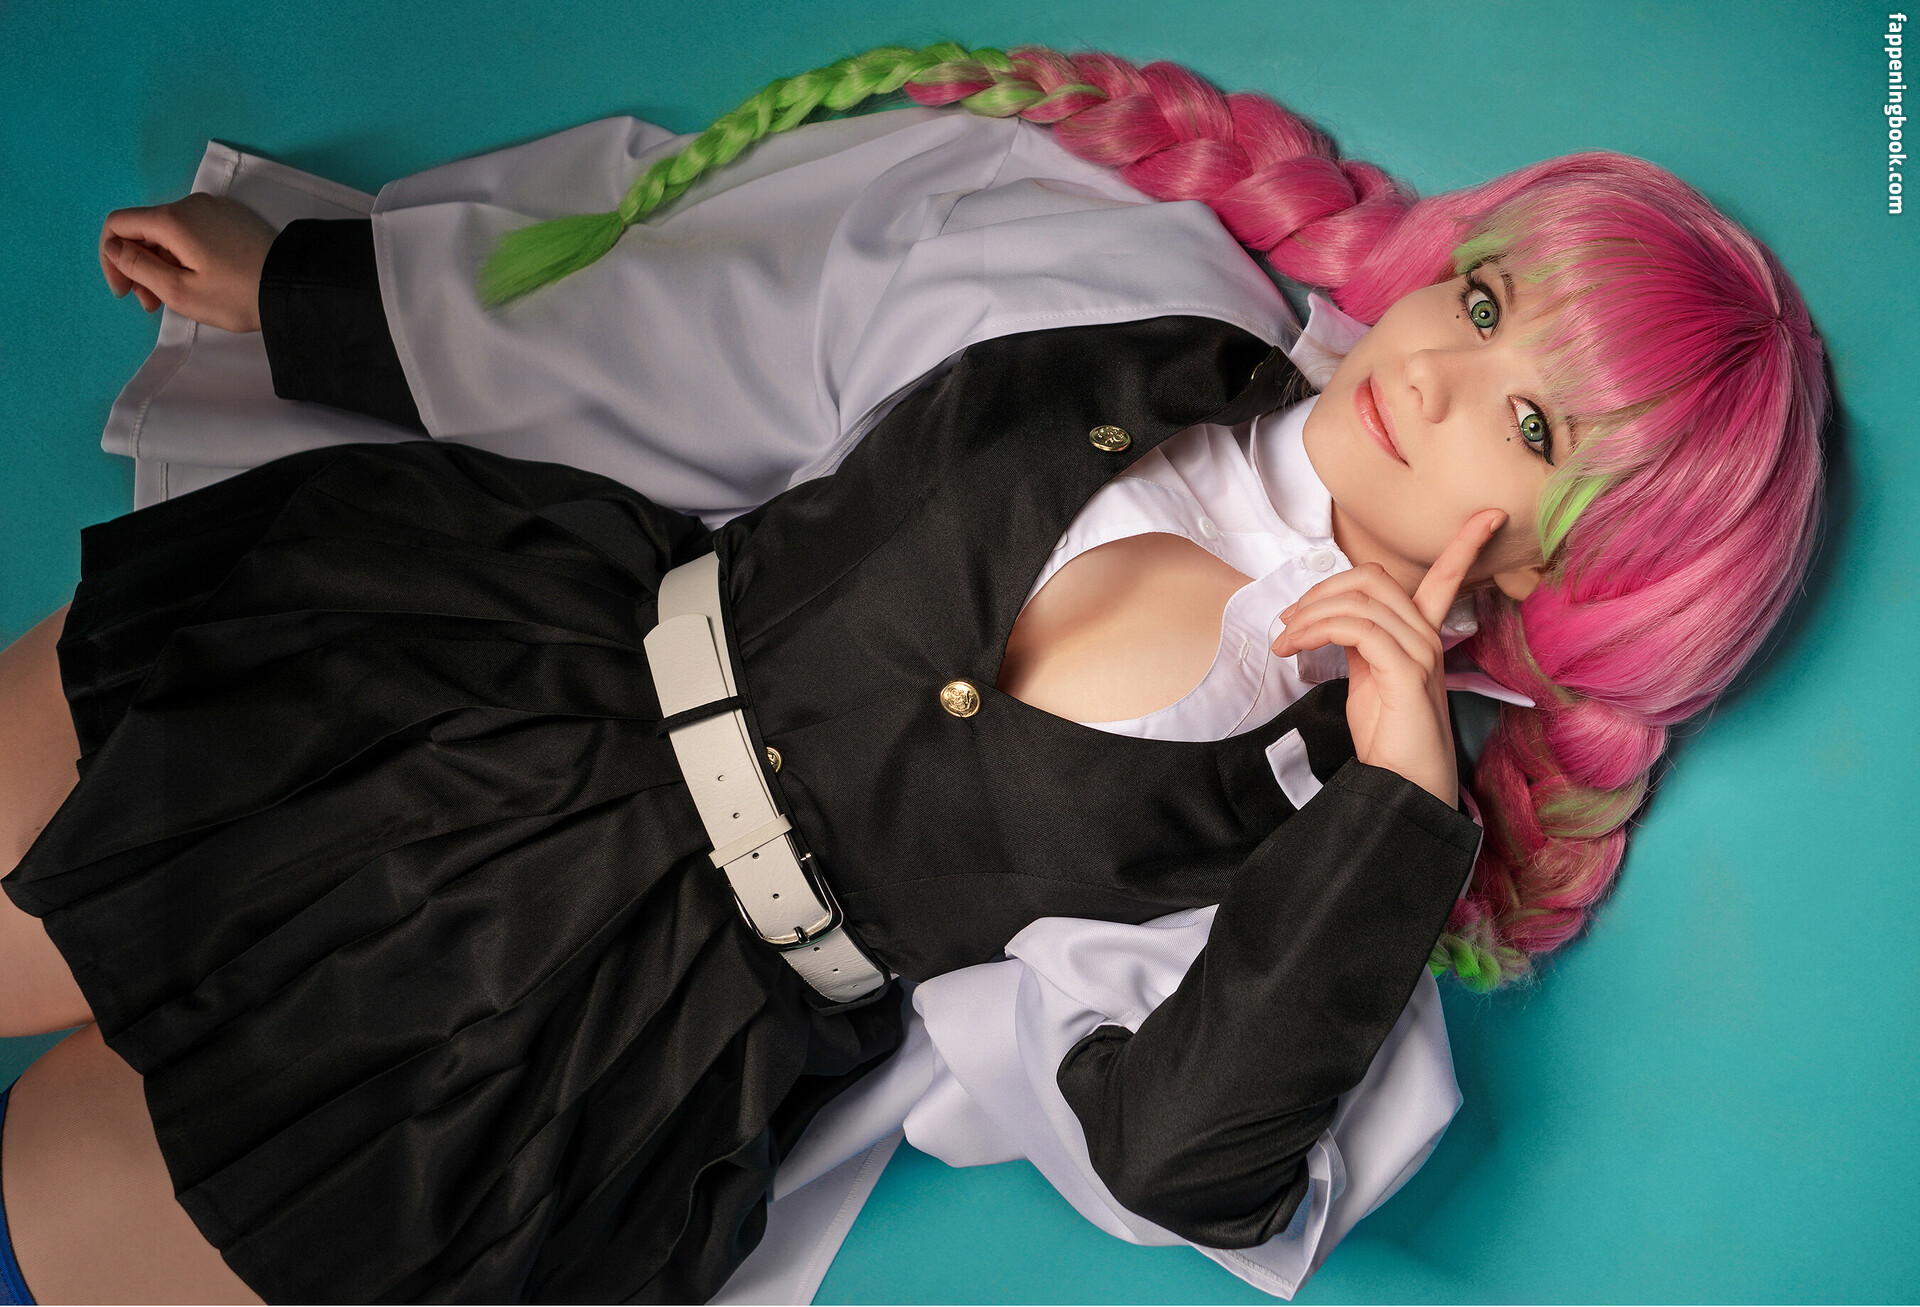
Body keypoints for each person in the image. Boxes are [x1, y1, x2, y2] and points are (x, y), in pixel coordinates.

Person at [0, 43, 1824, 1306]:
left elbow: (1175, 1159)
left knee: (45, 1213)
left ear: (1574, 565)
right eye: (1484, 302)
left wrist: (1398, 809)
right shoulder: (1120, 275)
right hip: (467, 681)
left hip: (586, 1044)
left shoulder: (1331, 827)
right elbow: (706, 329)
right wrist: (311, 297)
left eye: (1530, 423)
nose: (1429, 370)